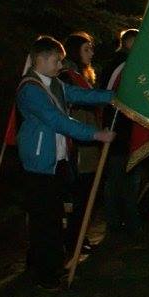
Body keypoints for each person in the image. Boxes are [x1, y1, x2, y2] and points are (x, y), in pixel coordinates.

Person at [16, 36, 114, 289]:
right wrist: (95, 134)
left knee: (54, 218)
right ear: (40, 60)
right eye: (56, 60)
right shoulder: (30, 89)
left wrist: (113, 97)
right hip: (40, 165)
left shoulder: (55, 84)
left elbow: (80, 94)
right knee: (44, 221)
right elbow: (57, 120)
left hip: (57, 161)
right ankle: (45, 274)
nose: (60, 65)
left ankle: (47, 266)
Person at [99, 28, 146, 234]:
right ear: (128, 43)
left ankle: (127, 219)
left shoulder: (131, 63)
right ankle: (117, 221)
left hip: (128, 130)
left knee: (127, 177)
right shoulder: (121, 65)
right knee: (118, 177)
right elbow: (111, 95)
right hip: (118, 129)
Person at [61, 32, 102, 256]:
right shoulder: (67, 77)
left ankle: (79, 236)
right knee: (79, 194)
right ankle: (73, 240)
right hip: (78, 145)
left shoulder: (82, 75)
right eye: (86, 49)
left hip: (89, 141)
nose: (91, 53)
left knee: (87, 194)